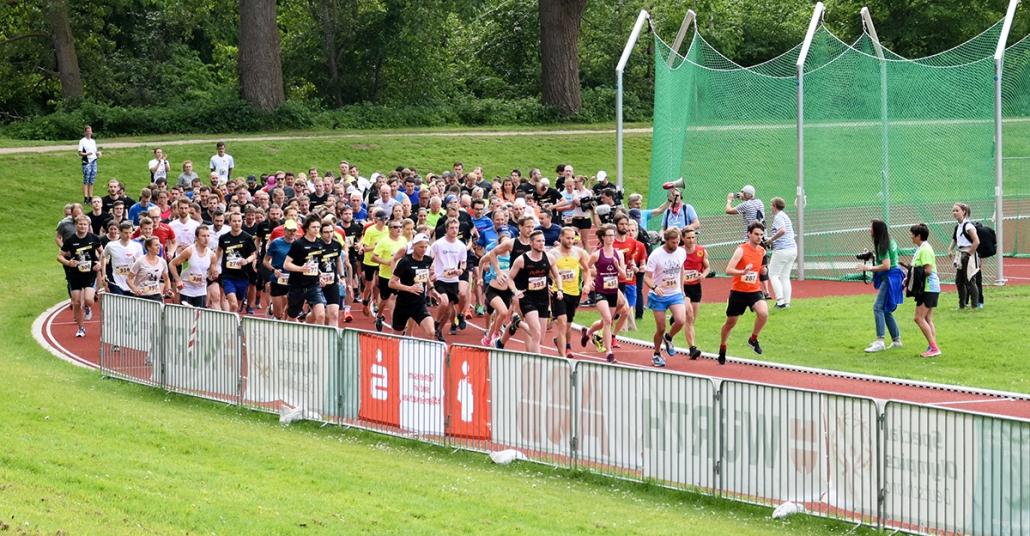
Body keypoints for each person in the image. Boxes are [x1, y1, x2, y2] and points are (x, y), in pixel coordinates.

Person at [718, 222, 770, 365]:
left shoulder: (762, 251)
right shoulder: (741, 250)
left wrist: (763, 271)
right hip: (738, 292)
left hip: (754, 291)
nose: (759, 237)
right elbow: (728, 270)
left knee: (764, 313)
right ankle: (723, 346)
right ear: (749, 234)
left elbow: (762, 269)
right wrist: (742, 272)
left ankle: (753, 339)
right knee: (730, 323)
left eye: (761, 234)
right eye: (756, 234)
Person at [504, 230, 562, 354]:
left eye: (543, 241)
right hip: (527, 297)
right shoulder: (521, 260)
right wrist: (515, 291)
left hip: (543, 298)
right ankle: (537, 364)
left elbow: (557, 276)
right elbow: (509, 278)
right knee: (536, 333)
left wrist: (560, 289)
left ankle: (518, 323)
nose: (542, 243)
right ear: (531, 243)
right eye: (539, 241)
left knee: (540, 338)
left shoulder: (549, 257)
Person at [580, 224, 627, 363]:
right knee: (607, 319)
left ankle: (588, 332)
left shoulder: (619, 254)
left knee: (607, 321)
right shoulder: (596, 254)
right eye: (608, 236)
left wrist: (617, 266)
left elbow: (623, 275)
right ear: (603, 237)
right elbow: (585, 268)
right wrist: (589, 282)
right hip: (600, 291)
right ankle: (609, 352)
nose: (611, 238)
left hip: (613, 291)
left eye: (613, 235)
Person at [645, 228, 689, 367]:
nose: (676, 245)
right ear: (666, 240)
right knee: (661, 328)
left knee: (681, 320)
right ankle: (656, 354)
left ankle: (668, 338)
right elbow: (647, 277)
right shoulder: (656, 255)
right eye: (673, 242)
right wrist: (654, 287)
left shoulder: (681, 252)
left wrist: (681, 288)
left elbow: (681, 268)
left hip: (675, 293)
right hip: (658, 296)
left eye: (677, 242)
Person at [859, 219, 903, 353]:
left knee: (877, 307)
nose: (869, 229)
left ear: (876, 230)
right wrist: (873, 256)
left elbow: (886, 265)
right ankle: (896, 340)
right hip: (894, 276)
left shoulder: (882, 245)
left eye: (871, 227)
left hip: (889, 276)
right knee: (886, 309)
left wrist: (868, 267)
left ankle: (880, 341)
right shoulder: (889, 240)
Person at [550, 227, 592, 359]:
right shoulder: (553, 254)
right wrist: (551, 282)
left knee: (568, 324)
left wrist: (586, 284)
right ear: (561, 237)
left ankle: (563, 343)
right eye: (567, 238)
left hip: (574, 292)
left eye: (573, 238)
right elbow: (546, 271)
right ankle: (563, 355)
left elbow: (587, 270)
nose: (570, 241)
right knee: (562, 323)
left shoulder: (579, 253)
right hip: (559, 291)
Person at [58, 216, 102, 337]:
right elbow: (59, 256)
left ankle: (87, 307)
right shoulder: (70, 240)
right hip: (75, 275)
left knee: (88, 299)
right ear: (76, 225)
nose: (82, 226)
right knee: (76, 303)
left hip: (90, 273)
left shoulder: (93, 238)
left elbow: (103, 253)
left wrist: (99, 263)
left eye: (85, 225)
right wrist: (68, 263)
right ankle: (81, 328)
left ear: (88, 226)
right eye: (80, 224)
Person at [389, 233, 439, 338]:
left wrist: (432, 289)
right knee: (396, 335)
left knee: (431, 332)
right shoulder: (405, 262)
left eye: (426, 247)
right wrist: (409, 288)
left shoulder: (427, 260)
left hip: (419, 304)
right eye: (421, 247)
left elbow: (424, 276)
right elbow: (392, 283)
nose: (424, 249)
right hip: (403, 304)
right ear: (413, 246)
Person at [725, 184, 770, 298]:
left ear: (747, 195)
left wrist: (730, 200)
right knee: (763, 266)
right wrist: (743, 197)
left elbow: (728, 211)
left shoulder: (746, 205)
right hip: (762, 237)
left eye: (742, 193)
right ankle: (766, 291)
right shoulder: (759, 202)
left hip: (750, 239)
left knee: (750, 266)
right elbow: (750, 202)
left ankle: (749, 288)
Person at [284, 215, 327, 323]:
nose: (316, 229)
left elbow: (319, 265)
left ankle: (316, 339)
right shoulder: (298, 244)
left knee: (321, 315)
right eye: (313, 227)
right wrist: (301, 269)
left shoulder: (320, 243)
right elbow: (286, 264)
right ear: (307, 228)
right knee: (292, 317)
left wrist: (320, 275)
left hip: (313, 285)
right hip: (297, 286)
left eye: (318, 227)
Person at [429, 218, 468, 337]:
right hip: (440, 278)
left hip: (453, 280)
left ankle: (439, 330)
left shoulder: (461, 246)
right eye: (451, 228)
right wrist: (432, 272)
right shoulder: (438, 244)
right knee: (444, 302)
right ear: (446, 229)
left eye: (456, 228)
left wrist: (460, 270)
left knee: (449, 310)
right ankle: (436, 322)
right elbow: (429, 259)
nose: (454, 230)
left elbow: (463, 262)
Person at [909, 223, 941, 358]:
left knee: (918, 318)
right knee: (927, 318)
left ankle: (934, 348)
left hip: (928, 288)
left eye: (912, 234)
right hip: (930, 288)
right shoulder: (921, 248)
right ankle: (932, 346)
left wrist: (913, 274)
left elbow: (927, 270)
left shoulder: (925, 250)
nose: (911, 237)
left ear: (919, 236)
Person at [371, 219, 409, 331]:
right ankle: (379, 316)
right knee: (384, 300)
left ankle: (396, 323)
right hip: (385, 275)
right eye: (395, 227)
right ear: (389, 229)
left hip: (399, 276)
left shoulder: (403, 240)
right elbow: (373, 257)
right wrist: (386, 262)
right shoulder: (384, 242)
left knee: (396, 299)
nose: (398, 229)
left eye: (400, 227)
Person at [216, 212, 257, 313]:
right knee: (233, 304)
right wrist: (213, 266)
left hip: (243, 276)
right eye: (234, 221)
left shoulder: (247, 238)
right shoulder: (223, 238)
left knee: (237, 307)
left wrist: (246, 260)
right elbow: (219, 251)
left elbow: (254, 255)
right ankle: (230, 325)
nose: (237, 223)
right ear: (229, 222)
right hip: (227, 276)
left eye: (239, 221)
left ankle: (233, 324)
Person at [170, 226, 217, 308]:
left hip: (201, 290)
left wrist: (213, 275)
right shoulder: (189, 251)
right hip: (186, 289)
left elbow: (211, 275)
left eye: (208, 236)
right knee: (187, 317)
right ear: (196, 238)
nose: (206, 239)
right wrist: (178, 280)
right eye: (203, 236)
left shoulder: (212, 255)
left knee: (199, 317)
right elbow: (172, 264)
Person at [680, 228, 708, 359]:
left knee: (691, 320)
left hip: (696, 286)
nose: (691, 240)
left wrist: (704, 274)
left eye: (693, 237)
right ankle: (692, 348)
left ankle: (669, 336)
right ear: (683, 238)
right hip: (682, 287)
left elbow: (707, 267)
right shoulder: (679, 252)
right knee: (689, 315)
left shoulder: (701, 251)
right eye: (688, 238)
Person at [263, 219, 299, 320]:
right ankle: (273, 311)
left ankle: (285, 332)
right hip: (277, 280)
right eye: (289, 230)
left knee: (290, 311)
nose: (292, 233)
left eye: (294, 230)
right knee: (278, 314)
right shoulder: (276, 243)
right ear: (284, 230)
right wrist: (274, 270)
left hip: (292, 281)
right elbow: (265, 261)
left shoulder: (299, 244)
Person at [948, 202, 981, 309]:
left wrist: (969, 254)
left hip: (967, 254)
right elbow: (955, 240)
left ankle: (974, 305)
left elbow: (976, 241)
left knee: (970, 280)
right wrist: (950, 249)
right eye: (953, 210)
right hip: (960, 254)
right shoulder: (958, 226)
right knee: (959, 281)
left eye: (957, 210)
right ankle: (962, 305)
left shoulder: (968, 226)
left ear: (964, 212)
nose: (954, 213)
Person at [767, 197, 797, 309]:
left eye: (771, 205)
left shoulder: (778, 217)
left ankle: (780, 301)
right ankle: (787, 302)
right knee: (785, 276)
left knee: (773, 274)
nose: (771, 207)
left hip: (782, 250)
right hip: (792, 249)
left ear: (775, 206)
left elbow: (782, 230)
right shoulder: (785, 216)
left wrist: (771, 240)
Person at [358, 210, 389, 315]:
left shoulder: (387, 230)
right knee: (369, 285)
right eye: (382, 220)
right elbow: (365, 248)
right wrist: (376, 246)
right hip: (370, 261)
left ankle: (375, 302)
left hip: (381, 260)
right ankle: (365, 302)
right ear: (376, 220)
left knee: (378, 283)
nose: (384, 222)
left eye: (385, 219)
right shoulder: (370, 230)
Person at [101, 221, 144, 296]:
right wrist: (104, 274)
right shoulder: (111, 245)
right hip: (115, 281)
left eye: (130, 232)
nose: (128, 235)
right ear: (119, 232)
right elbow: (103, 256)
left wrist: (136, 261)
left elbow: (141, 263)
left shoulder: (137, 246)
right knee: (119, 304)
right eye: (125, 233)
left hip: (131, 282)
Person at [127, 237, 172, 303]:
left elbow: (166, 279)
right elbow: (129, 279)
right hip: (142, 296)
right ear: (149, 247)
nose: (159, 247)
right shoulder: (140, 261)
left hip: (156, 295)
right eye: (156, 245)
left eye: (159, 245)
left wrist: (168, 290)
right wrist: (135, 289)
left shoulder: (162, 262)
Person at [319, 218, 345, 326]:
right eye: (326, 232)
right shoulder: (316, 246)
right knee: (320, 315)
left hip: (332, 283)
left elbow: (338, 260)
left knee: (334, 314)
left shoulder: (337, 245)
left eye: (331, 231)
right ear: (321, 233)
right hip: (318, 284)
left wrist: (342, 277)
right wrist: (318, 276)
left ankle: (333, 340)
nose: (329, 234)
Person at [77, 125, 101, 203]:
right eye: (87, 131)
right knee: (86, 180)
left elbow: (95, 151)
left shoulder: (93, 141)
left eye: (90, 131)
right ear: (85, 132)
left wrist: (97, 154)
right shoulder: (82, 141)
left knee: (92, 180)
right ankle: (85, 197)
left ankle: (90, 197)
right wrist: (87, 154)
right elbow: (80, 153)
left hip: (94, 161)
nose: (89, 133)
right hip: (87, 162)